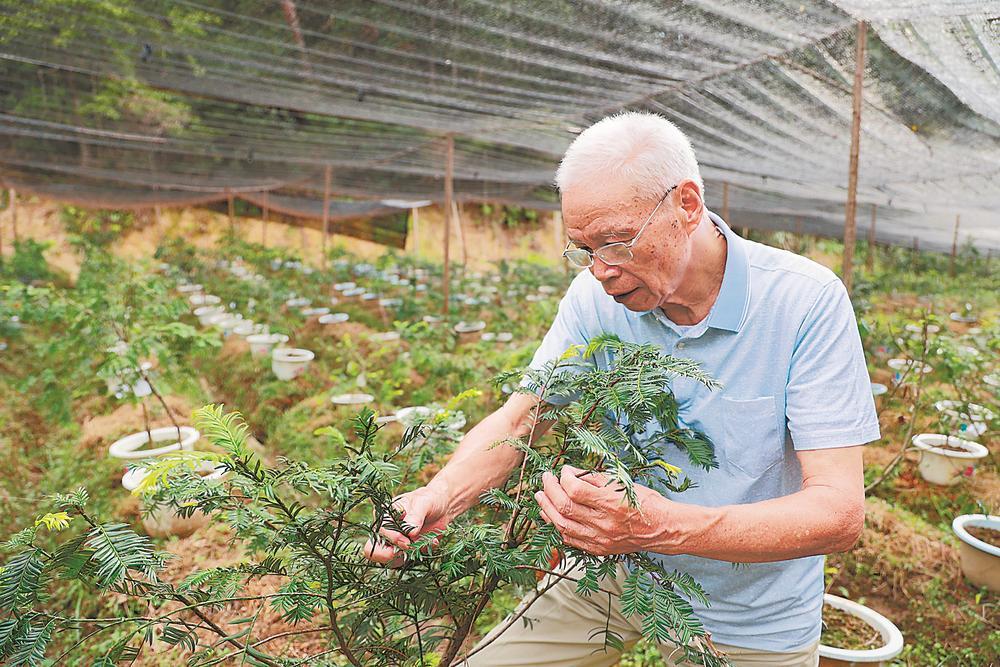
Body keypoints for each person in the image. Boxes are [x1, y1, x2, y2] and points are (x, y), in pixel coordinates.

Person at [364, 112, 879, 667]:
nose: (600, 270)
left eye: (615, 241)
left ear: (687, 204)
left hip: (747, 616)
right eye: (583, 249)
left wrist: (655, 526)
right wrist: (438, 496)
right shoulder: (596, 300)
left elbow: (838, 513)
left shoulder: (804, 303)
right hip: (610, 576)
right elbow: (521, 420)